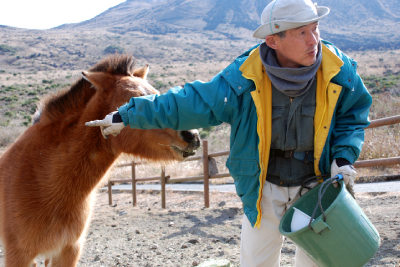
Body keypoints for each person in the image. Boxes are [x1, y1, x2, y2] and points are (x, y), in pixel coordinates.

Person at [86, 0, 372, 266]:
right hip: (264, 189)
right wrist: (128, 114)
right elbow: (190, 101)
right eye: (301, 33)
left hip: (316, 186)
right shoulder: (243, 76)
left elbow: (353, 115)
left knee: (321, 262)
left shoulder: (338, 69)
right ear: (273, 40)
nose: (314, 40)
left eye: (315, 29)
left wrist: (343, 157)